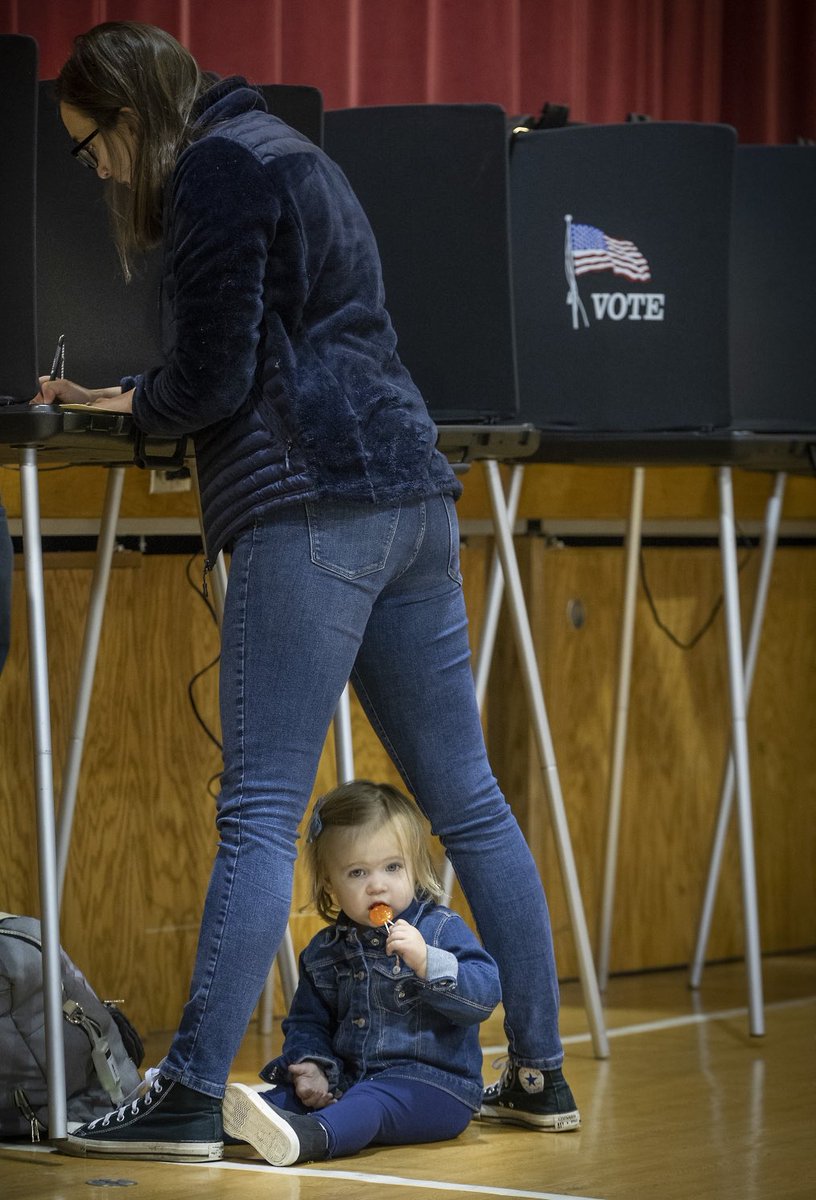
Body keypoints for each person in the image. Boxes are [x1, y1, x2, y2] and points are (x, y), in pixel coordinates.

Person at [43, 21, 580, 1162]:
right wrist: (145, 390)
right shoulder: (288, 149)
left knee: (257, 812)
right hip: (413, 499)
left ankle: (188, 1092)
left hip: (310, 503)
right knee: (472, 801)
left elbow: (220, 372)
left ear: (128, 113)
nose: (93, 171)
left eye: (90, 146)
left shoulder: (215, 170)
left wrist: (127, 407)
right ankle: (537, 1070)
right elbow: (292, 339)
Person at [222, 780, 501, 1166]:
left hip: (435, 1089)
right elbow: (307, 1023)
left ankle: (313, 1137)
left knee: (370, 1105)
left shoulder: (437, 929)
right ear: (330, 886)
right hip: (351, 1081)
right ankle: (216, 1124)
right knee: (286, 1097)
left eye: (392, 867)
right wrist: (313, 1067)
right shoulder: (324, 951)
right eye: (356, 873)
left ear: (415, 868)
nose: (377, 885)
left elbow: (484, 995)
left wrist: (428, 962)